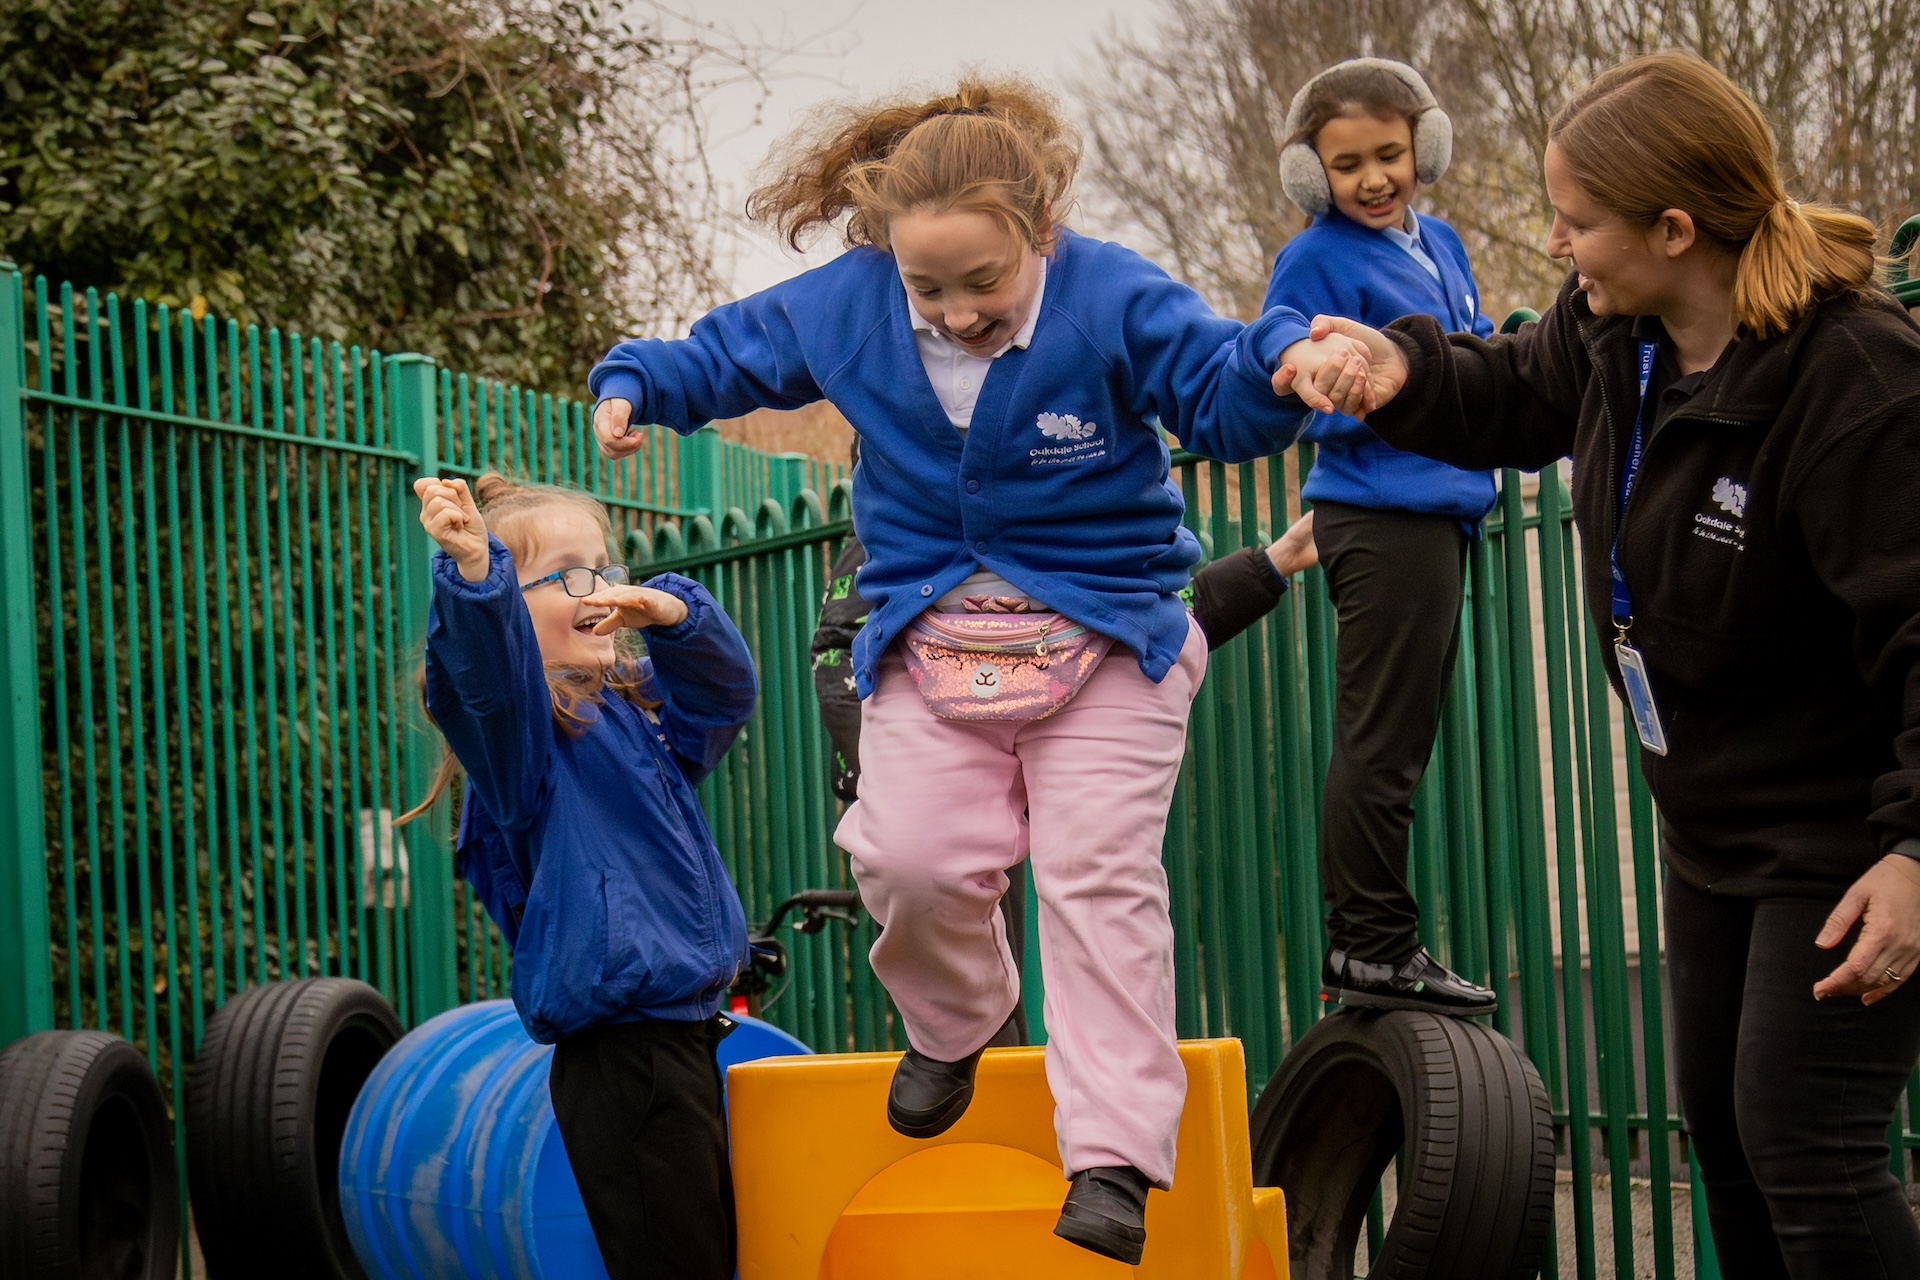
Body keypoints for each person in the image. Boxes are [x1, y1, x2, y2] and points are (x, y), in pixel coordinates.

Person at [586, 77, 1363, 1264]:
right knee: (907, 856)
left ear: (1039, 232)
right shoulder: (855, 305)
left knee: (1095, 876)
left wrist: (1284, 364)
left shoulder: (1108, 294)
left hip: (1110, 633)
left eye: (982, 284)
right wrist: (638, 381)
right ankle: (955, 1018)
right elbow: (738, 351)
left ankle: (1112, 1151)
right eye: (925, 288)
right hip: (931, 634)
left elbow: (1215, 386)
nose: (952, 313)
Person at [1285, 51, 1920, 1278]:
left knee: (1812, 1149)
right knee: (1731, 1142)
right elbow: (1512, 387)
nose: (1561, 244)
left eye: (1578, 221)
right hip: (1713, 824)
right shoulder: (1617, 333)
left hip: (1848, 838)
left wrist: (1913, 851)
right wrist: (1400, 369)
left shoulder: (1856, 378)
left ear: (1675, 228)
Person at [404, 473, 758, 1280]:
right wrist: (474, 575)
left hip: (682, 1036)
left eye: (604, 567)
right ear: (511, 618)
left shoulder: (634, 720)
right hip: (622, 1057)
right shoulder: (524, 747)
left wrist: (674, 612)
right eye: (568, 575)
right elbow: (489, 681)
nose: (600, 589)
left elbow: (725, 698)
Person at [810, 506, 1321, 1048]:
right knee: (968, 998)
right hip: (947, 805)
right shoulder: (901, 529)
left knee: (1088, 953)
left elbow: (1128, 625)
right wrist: (906, 785)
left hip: (1031, 798)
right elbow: (840, 651)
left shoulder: (1052, 510)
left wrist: (1272, 563)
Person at [1264, 57, 1499, 1017]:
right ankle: (1370, 947)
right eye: (1348, 163)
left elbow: (1474, 348)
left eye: (1390, 155)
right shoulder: (1313, 256)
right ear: (1313, 175)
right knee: (1381, 743)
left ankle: (1378, 943)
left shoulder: (1439, 238)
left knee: (1403, 739)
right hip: (1380, 515)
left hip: (1438, 512)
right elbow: (1287, 342)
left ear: (1424, 147)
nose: (1372, 178)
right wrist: (1327, 364)